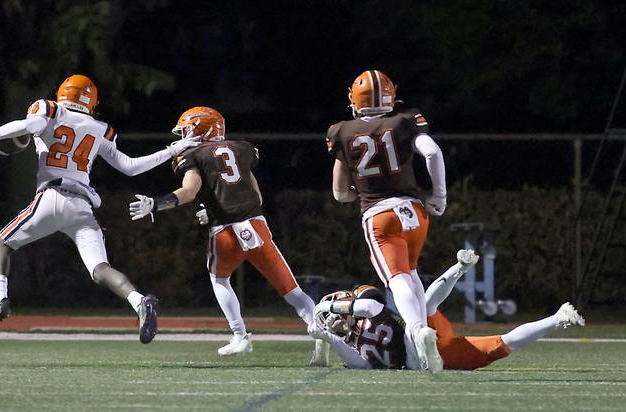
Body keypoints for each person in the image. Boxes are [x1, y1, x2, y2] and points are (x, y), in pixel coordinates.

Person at [0, 74, 200, 343]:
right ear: (91, 100)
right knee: (100, 268)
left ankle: (0, 301)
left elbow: (27, 124)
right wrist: (173, 150)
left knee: (3, 244)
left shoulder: (50, 109)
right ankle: (140, 302)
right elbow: (130, 167)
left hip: (52, 194)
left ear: (63, 93)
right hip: (82, 205)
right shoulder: (100, 127)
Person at [128, 107, 326, 362]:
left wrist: (156, 204)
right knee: (293, 292)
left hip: (224, 233)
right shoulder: (242, 148)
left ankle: (240, 336)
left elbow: (189, 191)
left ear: (200, 129)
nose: (184, 134)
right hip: (257, 227)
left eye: (188, 129)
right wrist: (214, 209)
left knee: (220, 280)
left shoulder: (193, 155)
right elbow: (256, 196)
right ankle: (322, 339)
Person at [326, 69, 447, 372]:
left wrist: (360, 190)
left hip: (379, 214)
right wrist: (439, 197)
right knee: (412, 275)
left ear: (355, 101)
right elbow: (432, 153)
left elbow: (340, 193)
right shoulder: (405, 121)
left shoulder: (342, 130)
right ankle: (418, 348)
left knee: (398, 280)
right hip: (415, 213)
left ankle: (418, 332)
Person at [309, 250, 586, 370]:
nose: (335, 318)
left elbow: (368, 307)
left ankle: (556, 318)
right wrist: (328, 337)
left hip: (419, 356)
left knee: (499, 344)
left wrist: (328, 307)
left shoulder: (367, 311)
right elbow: (360, 363)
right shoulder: (359, 328)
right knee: (427, 309)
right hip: (423, 340)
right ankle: (557, 317)